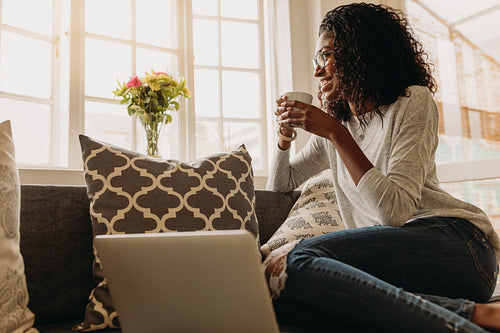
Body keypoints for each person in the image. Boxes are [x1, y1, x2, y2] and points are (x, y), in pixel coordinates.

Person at [267, 3, 500, 332]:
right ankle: (473, 315)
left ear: (359, 53)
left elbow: (394, 212)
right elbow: (280, 185)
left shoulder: (411, 102)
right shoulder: (339, 126)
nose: (318, 71)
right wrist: (284, 135)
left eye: (326, 56)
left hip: (458, 248)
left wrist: (336, 134)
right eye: (316, 59)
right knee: (287, 300)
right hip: (399, 268)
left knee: (299, 259)